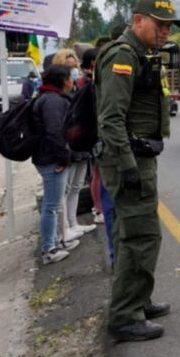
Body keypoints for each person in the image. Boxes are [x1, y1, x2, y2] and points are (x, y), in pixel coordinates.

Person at [96, 0, 180, 342]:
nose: (164, 32)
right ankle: (124, 315)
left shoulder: (138, 55)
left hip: (138, 157)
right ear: (137, 21)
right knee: (141, 236)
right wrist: (128, 166)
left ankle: (137, 301)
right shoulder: (123, 57)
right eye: (158, 25)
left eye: (168, 27)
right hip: (128, 159)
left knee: (135, 233)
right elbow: (110, 118)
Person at [34, 65, 78, 265]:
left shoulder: (47, 98)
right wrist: (63, 158)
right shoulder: (53, 102)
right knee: (51, 206)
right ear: (62, 80)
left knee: (54, 204)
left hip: (47, 157)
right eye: (70, 77)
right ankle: (49, 250)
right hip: (51, 160)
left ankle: (57, 242)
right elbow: (54, 132)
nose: (73, 80)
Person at [62, 50, 99, 243]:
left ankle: (72, 223)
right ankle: (65, 228)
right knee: (65, 189)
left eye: (74, 66)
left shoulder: (79, 89)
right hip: (69, 149)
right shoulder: (58, 99)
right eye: (69, 68)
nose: (73, 71)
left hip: (82, 146)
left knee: (76, 186)